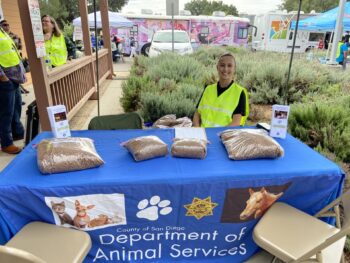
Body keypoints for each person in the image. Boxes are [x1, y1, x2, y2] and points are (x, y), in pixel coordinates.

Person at [193, 52, 249, 127]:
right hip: (202, 135)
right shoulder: (208, 89)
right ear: (217, 67)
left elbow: (236, 123)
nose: (225, 69)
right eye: (222, 65)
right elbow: (197, 113)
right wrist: (197, 131)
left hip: (222, 137)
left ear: (234, 69)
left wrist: (217, 136)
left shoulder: (239, 92)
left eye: (229, 66)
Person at [0, 24, 26, 154]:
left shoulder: (2, 31)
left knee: (16, 108)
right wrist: (2, 77)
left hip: (14, 78)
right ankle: (6, 143)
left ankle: (17, 133)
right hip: (5, 80)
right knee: (6, 113)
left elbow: (13, 52)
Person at [0, 20, 30, 96]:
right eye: (4, 25)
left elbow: (20, 47)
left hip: (16, 64)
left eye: (7, 25)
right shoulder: (3, 36)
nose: (6, 26)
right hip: (6, 72)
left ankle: (21, 90)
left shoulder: (13, 36)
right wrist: (3, 77)